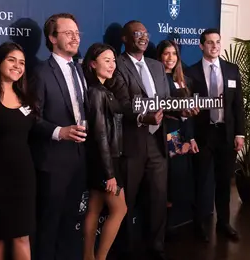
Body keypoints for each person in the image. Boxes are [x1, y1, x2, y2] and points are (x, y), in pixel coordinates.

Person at [105, 20, 174, 260]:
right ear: (124, 39)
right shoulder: (118, 65)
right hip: (131, 144)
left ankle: (156, 248)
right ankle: (125, 251)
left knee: (157, 201)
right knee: (127, 203)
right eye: (137, 33)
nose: (143, 37)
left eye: (146, 33)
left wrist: (181, 111)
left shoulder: (156, 66)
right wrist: (143, 117)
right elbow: (120, 103)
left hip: (157, 143)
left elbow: (166, 101)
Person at [28, 12, 88, 260]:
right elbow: (31, 117)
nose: (75, 38)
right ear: (52, 38)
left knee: (72, 223)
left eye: (77, 33)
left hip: (79, 158)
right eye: (68, 33)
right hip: (53, 162)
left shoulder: (79, 69)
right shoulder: (40, 72)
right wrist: (58, 131)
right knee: (49, 225)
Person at [0, 41, 38, 260]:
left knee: (22, 236)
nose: (17, 66)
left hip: (24, 177)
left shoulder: (25, 97)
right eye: (11, 60)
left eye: (21, 62)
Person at [184, 28, 245, 243]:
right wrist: (190, 137)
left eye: (217, 42)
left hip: (226, 134)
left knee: (223, 181)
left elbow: (238, 106)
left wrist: (240, 134)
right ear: (201, 46)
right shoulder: (191, 73)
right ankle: (199, 225)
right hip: (203, 135)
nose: (215, 46)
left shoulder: (231, 70)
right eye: (209, 42)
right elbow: (187, 111)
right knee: (201, 181)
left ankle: (224, 223)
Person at [81, 43, 127, 260]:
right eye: (106, 60)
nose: (112, 65)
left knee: (94, 209)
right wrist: (110, 173)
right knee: (120, 210)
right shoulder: (97, 92)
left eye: (113, 60)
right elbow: (100, 134)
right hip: (107, 161)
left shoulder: (102, 89)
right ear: (92, 63)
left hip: (101, 160)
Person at [156, 40, 199, 235]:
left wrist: (189, 139)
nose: (170, 58)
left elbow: (188, 113)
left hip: (183, 132)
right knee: (168, 180)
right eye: (166, 53)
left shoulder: (185, 79)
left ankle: (177, 223)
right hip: (166, 134)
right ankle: (164, 229)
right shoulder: (157, 78)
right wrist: (176, 142)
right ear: (160, 56)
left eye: (174, 53)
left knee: (181, 179)